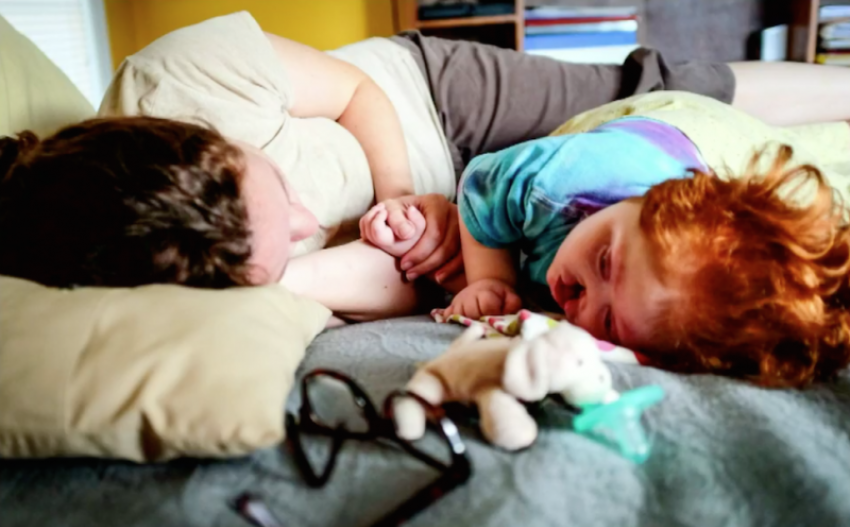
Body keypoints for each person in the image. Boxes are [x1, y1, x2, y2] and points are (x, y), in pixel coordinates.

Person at [2, 11, 850, 321]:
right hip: (440, 216)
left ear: (208, 142)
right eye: (279, 252)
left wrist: (403, 193)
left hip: (429, 105)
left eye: (282, 194)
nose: (305, 228)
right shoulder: (181, 271)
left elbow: (357, 95)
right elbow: (406, 282)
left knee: (659, 86)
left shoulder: (182, 75)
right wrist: (422, 241)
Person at [360, 90, 850, 386]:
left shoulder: (665, 313)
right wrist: (490, 279)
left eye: (610, 320)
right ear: (636, 203)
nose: (579, 298)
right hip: (671, 121)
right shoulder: (560, 182)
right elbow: (483, 182)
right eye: (604, 262)